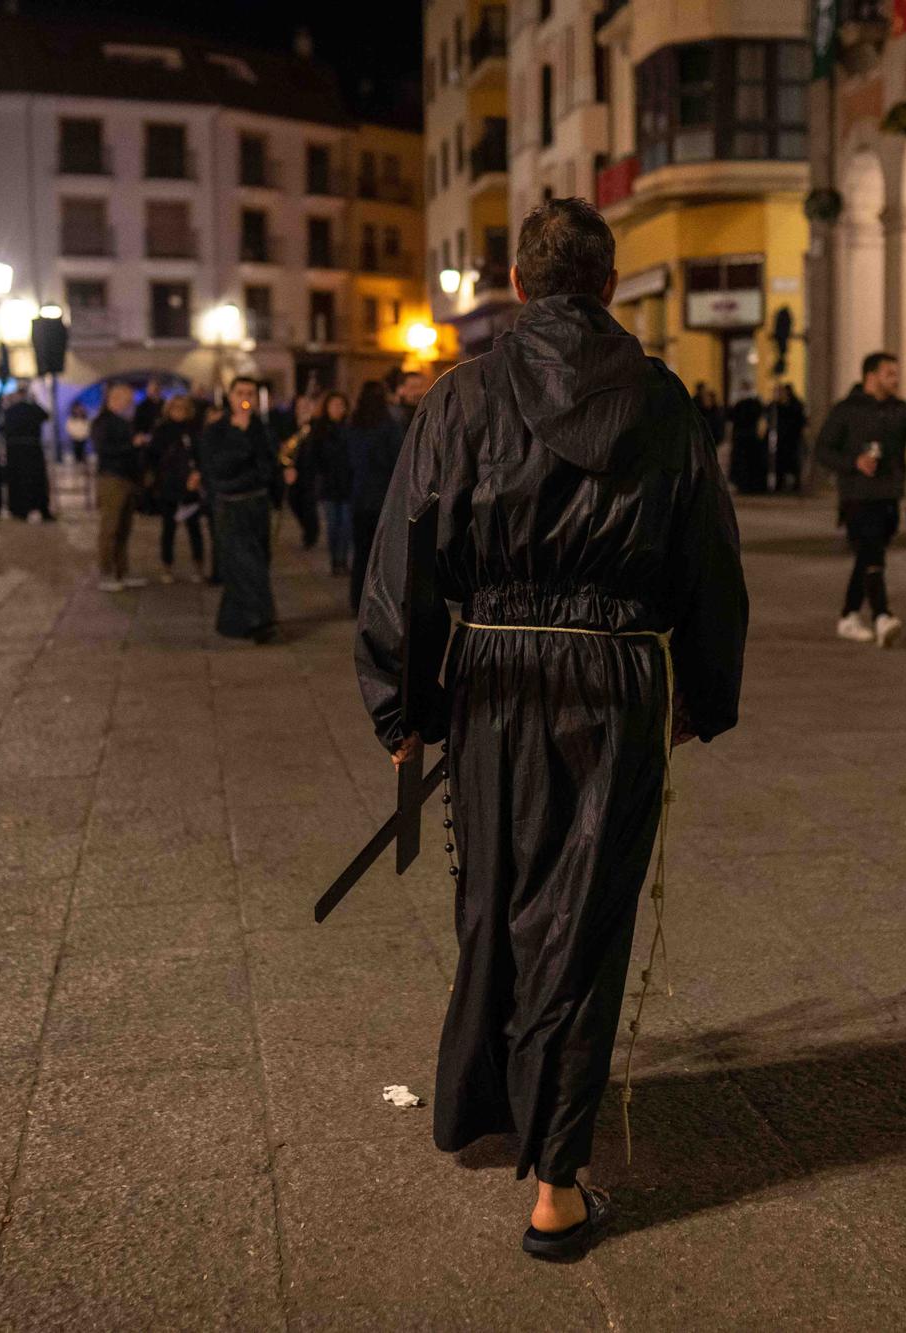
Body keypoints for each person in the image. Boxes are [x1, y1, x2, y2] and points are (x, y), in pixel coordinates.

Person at [357, 197, 747, 1262]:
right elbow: (707, 559)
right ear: (609, 284)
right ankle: (555, 1184)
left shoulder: (461, 397)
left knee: (493, 897)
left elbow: (404, 558)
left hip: (491, 675)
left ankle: (490, 1109)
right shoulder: (662, 401)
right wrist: (697, 696)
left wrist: (404, 706)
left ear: (519, 288)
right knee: (581, 918)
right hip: (614, 680)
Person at [814, 351, 906, 647]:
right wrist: (854, 462)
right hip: (858, 495)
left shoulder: (898, 408)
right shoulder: (846, 409)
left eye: (896, 373)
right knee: (872, 553)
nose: (895, 379)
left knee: (868, 556)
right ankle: (882, 616)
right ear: (871, 376)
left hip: (889, 494)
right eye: (890, 374)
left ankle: (848, 615)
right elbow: (823, 449)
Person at [198, 375, 278, 642]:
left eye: (251, 393)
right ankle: (260, 622)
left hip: (256, 505)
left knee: (257, 562)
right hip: (230, 506)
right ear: (230, 397)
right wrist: (239, 436)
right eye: (240, 392)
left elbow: (268, 464)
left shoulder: (263, 428)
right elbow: (218, 467)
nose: (245, 398)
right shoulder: (216, 431)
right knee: (244, 564)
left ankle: (234, 622)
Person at [345, 379, 405, 614]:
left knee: (361, 553)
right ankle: (379, 601)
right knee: (382, 554)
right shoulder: (389, 425)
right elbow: (397, 460)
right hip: (383, 497)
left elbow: (349, 461)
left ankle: (356, 601)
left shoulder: (354, 425)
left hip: (360, 496)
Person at [93, 383, 146, 591]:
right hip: (112, 478)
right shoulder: (103, 422)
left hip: (126, 477)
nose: (131, 404)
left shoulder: (123, 421)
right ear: (115, 400)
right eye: (128, 400)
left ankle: (122, 570)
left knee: (124, 528)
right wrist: (132, 445)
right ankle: (106, 572)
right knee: (110, 527)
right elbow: (104, 449)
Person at [150, 393, 206, 582]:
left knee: (194, 528)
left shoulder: (194, 429)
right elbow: (154, 457)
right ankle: (167, 566)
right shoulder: (162, 430)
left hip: (190, 484)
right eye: (175, 408)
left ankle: (199, 565)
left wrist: (198, 474)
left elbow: (201, 455)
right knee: (168, 528)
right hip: (169, 485)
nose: (179, 411)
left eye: (183, 408)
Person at [304, 391, 352, 578]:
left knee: (346, 526)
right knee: (333, 526)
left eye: (341, 405)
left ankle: (343, 561)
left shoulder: (350, 428)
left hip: (347, 485)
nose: (338, 409)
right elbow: (312, 459)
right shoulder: (319, 430)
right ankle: (335, 561)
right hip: (328, 486)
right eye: (334, 405)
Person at [0, 387, 54, 521]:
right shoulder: (32, 408)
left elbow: (2, 429)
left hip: (16, 452)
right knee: (36, 481)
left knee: (19, 482)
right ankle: (40, 508)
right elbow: (46, 415)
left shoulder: (10, 410)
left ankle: (20, 510)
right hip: (32, 450)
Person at [279, 390, 322, 551]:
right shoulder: (289, 425)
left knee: (308, 504)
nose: (304, 408)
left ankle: (311, 534)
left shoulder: (316, 425)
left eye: (307, 405)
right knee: (294, 502)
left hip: (310, 472)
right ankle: (307, 528)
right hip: (293, 471)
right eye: (300, 405)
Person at [727, 390, 768, 494]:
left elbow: (731, 421)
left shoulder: (739, 404)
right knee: (750, 462)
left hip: (743, 437)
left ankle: (745, 485)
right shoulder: (755, 404)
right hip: (751, 437)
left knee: (744, 463)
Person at [770, 382, 807, 493]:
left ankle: (794, 485)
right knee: (782, 463)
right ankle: (780, 484)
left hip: (792, 439)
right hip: (782, 439)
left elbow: (799, 421)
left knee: (793, 464)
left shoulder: (795, 405)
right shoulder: (778, 405)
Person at [131, 377, 167, 442]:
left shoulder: (165, 404)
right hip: (147, 438)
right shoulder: (142, 406)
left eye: (156, 388)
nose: (154, 391)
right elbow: (137, 424)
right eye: (151, 388)